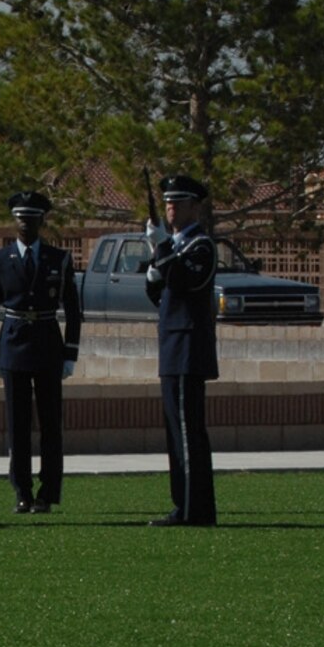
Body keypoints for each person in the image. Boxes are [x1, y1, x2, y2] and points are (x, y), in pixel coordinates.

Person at [0, 190, 82, 514]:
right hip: (13, 344)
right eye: (20, 218)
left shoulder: (59, 259)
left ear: (42, 220)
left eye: (31, 217)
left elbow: (73, 309)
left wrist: (70, 354)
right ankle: (22, 491)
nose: (25, 223)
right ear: (14, 221)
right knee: (18, 425)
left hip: (47, 345)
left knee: (51, 425)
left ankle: (48, 492)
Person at [144, 174, 218, 526]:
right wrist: (156, 263)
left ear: (194, 206)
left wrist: (162, 251)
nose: (171, 207)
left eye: (178, 201)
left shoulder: (200, 245)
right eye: (168, 202)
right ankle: (184, 503)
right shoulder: (175, 246)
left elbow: (189, 281)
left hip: (189, 345)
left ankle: (195, 508)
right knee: (176, 433)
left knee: (189, 432)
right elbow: (162, 294)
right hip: (172, 344)